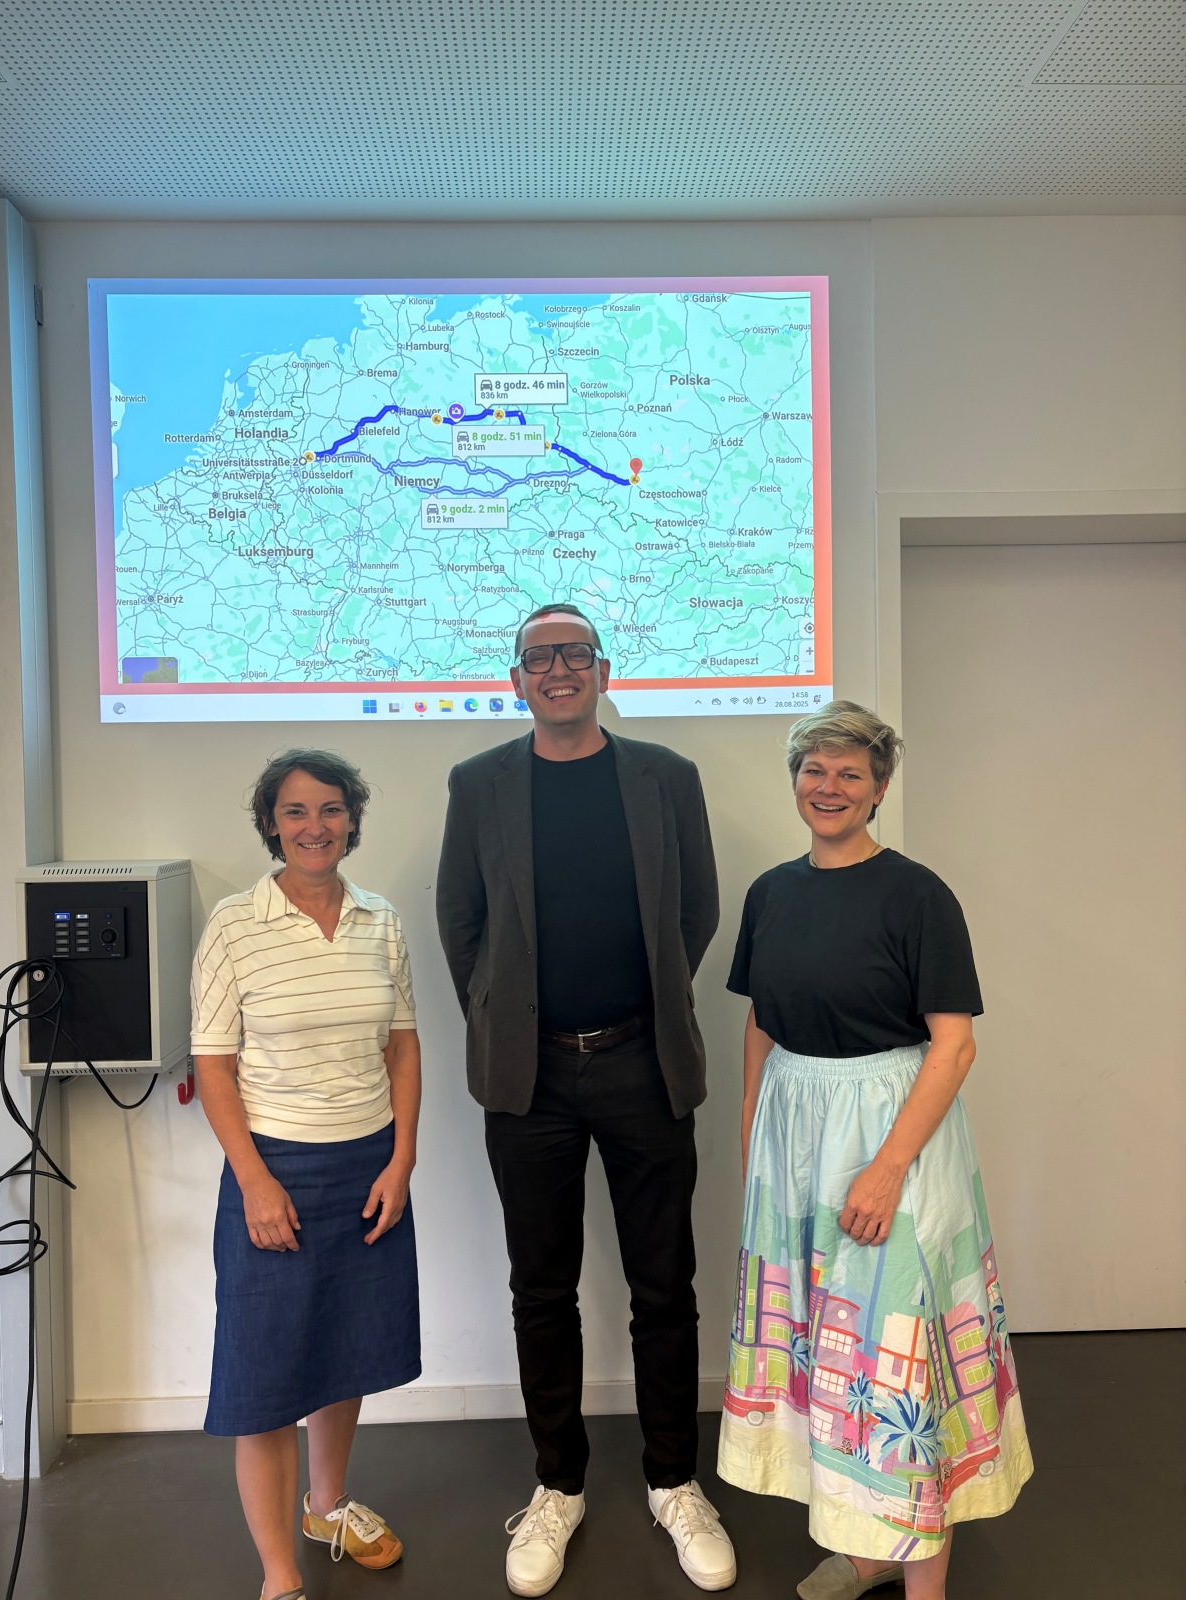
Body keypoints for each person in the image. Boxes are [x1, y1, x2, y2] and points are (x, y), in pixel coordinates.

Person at [436, 603, 737, 1597]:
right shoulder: (478, 784)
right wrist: (504, 1013)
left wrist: (644, 1007)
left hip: (645, 1064)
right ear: (515, 676)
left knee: (665, 1284)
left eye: (572, 653)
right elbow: (460, 920)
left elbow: (697, 907)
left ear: (603, 669)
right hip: (530, 1078)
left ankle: (674, 1479)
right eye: (538, 657)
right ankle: (557, 1485)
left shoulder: (666, 778)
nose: (556, 669)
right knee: (541, 1285)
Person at [717, 702, 1033, 1600]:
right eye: (815, 771)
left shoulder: (917, 894)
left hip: (887, 1129)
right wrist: (753, 1133)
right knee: (827, 1349)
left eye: (851, 773)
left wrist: (888, 1165)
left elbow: (955, 1043)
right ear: (795, 783)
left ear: (880, 788)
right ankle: (867, 1548)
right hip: (796, 1132)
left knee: (896, 1350)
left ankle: (920, 1574)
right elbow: (764, 1020)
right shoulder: (772, 892)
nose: (830, 788)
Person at [190, 748, 421, 1600]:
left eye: (330, 809)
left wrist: (401, 1159)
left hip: (367, 1164)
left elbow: (402, 1045)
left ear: (352, 821)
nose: (314, 826)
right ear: (270, 824)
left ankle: (328, 1507)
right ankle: (280, 1573)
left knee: (344, 1351)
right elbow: (212, 1064)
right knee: (267, 1375)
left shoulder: (382, 920)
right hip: (275, 1167)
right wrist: (254, 1180)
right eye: (295, 811)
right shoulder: (234, 924)